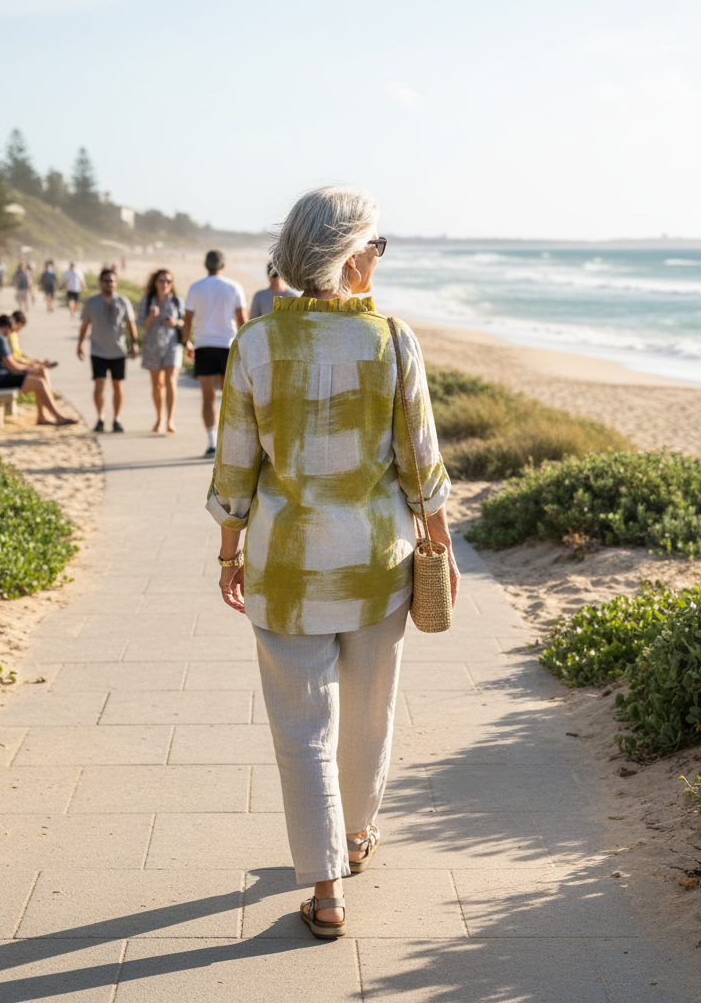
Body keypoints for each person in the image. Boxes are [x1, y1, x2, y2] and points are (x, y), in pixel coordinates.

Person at [206, 185, 458, 939]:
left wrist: (229, 550)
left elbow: (236, 467)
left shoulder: (254, 343)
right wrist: (441, 547)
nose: (378, 257)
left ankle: (325, 890)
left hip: (283, 567)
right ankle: (353, 837)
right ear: (349, 259)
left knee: (301, 730)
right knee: (370, 713)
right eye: (375, 245)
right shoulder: (392, 339)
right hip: (376, 564)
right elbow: (421, 464)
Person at [181, 250, 247, 456]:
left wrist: (186, 342)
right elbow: (242, 319)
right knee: (231, 397)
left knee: (208, 397)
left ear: (205, 265)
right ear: (223, 266)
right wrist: (247, 346)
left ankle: (212, 442)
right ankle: (231, 442)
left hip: (203, 346)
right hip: (227, 346)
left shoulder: (195, 287)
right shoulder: (234, 286)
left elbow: (188, 319)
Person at [0, 314, 77, 426]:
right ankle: (58, 417)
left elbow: (11, 363)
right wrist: (30, 368)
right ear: (6, 327)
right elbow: (13, 367)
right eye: (11, 331)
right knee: (39, 383)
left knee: (40, 373)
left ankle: (42, 417)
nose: (10, 334)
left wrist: (32, 367)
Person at [77, 267, 138, 433]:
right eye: (106, 281)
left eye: (113, 281)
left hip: (118, 350)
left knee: (118, 385)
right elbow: (85, 325)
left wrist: (134, 343)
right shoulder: (91, 302)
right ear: (100, 282)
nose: (110, 284)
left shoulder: (123, 302)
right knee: (99, 384)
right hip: (98, 350)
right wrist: (80, 344)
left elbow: (131, 324)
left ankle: (117, 419)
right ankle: (101, 418)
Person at [139, 268, 185, 433]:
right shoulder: (147, 300)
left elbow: (185, 322)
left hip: (173, 345)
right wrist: (151, 316)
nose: (165, 284)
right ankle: (159, 418)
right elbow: (141, 325)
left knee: (171, 380)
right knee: (157, 385)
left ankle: (170, 420)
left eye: (168, 281)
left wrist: (175, 323)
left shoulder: (177, 301)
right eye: (161, 280)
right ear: (155, 282)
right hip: (153, 346)